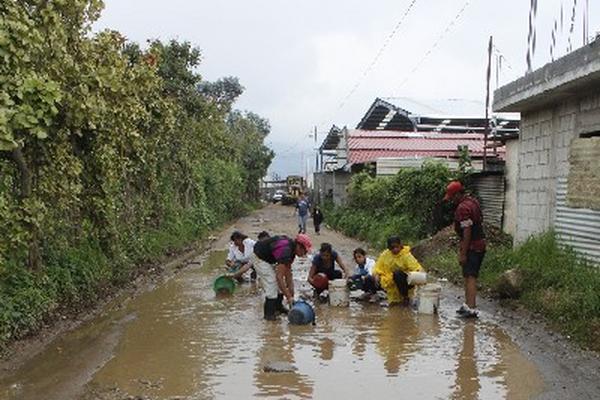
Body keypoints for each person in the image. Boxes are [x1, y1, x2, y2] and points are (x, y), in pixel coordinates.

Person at [444, 180, 486, 318]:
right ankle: (467, 304)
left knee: (470, 276)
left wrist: (463, 252)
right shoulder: (473, 202)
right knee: (467, 275)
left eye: (452, 197)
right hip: (479, 243)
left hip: (473, 245)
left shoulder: (463, 208)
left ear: (457, 195)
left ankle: (472, 308)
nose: (451, 201)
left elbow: (467, 231)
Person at [253, 234, 312, 320]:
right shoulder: (286, 251)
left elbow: (288, 272)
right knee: (272, 283)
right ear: (299, 246)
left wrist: (291, 291)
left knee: (280, 285)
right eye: (304, 251)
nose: (304, 254)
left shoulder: (291, 251)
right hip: (260, 258)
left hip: (270, 258)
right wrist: (288, 297)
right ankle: (268, 315)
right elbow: (279, 277)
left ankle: (278, 307)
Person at [372, 236, 424, 306]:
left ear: (400, 245)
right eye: (392, 248)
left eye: (396, 247)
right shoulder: (385, 255)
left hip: (406, 282)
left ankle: (405, 297)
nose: (395, 249)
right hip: (391, 282)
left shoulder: (406, 255)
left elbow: (416, 268)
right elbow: (377, 266)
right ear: (389, 248)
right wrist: (376, 274)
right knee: (370, 278)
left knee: (397, 273)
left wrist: (419, 275)